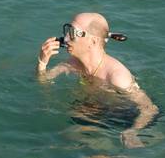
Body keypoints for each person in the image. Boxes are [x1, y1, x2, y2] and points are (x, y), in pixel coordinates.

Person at [36, 12, 158, 148]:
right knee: (71, 125)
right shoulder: (72, 64)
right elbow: (42, 81)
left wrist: (132, 132)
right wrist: (42, 62)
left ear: (93, 41)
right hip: (100, 110)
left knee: (72, 133)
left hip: (129, 117)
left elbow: (150, 109)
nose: (66, 38)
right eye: (67, 31)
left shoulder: (117, 76)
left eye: (73, 33)